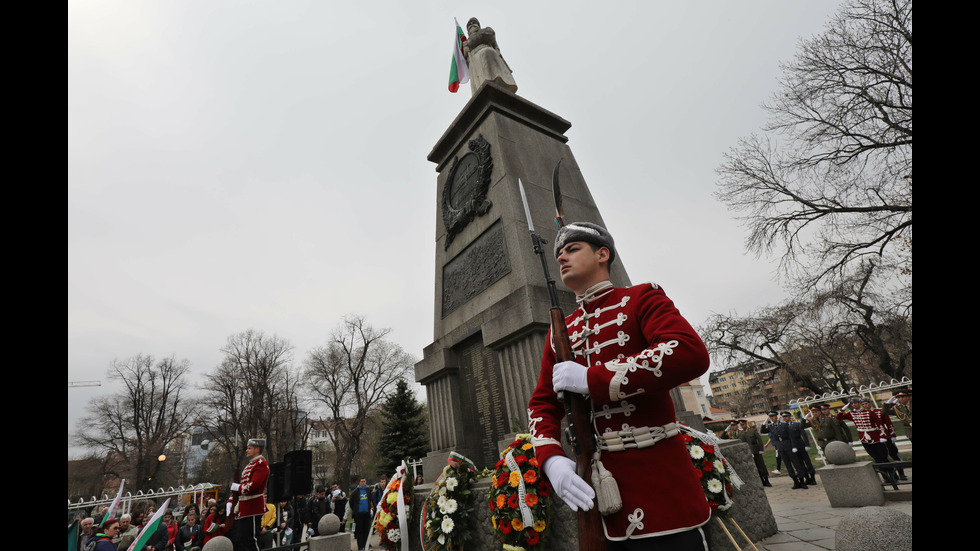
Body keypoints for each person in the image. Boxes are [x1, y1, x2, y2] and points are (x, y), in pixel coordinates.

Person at [527, 222, 712, 548]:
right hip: (600, 501)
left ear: (602, 253)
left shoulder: (641, 298)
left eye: (572, 249)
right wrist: (551, 459)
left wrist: (591, 378)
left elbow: (688, 352)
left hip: (664, 495)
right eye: (559, 255)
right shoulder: (561, 333)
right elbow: (543, 403)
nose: (562, 258)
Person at [836, 397, 894, 483]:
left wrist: (882, 436)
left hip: (876, 438)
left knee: (884, 458)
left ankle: (893, 476)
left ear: (859, 404)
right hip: (864, 439)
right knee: (877, 459)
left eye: (856, 403)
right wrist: (843, 409)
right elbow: (839, 417)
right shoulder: (852, 413)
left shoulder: (869, 412)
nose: (854, 405)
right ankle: (885, 478)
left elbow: (879, 423)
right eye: (852, 404)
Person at [229, 438, 270, 551]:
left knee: (252, 540)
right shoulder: (251, 464)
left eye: (249, 448)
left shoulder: (261, 464)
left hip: (253, 507)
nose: (247, 450)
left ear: (257, 449)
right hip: (245, 507)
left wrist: (239, 487)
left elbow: (255, 485)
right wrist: (232, 499)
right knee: (243, 540)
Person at [462, 17, 518, 94]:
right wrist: (465, 50)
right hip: (474, 60)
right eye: (469, 24)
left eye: (473, 22)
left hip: (486, 50)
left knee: (487, 52)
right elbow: (464, 62)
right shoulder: (465, 42)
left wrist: (471, 41)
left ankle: (494, 80)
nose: (471, 24)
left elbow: (490, 34)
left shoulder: (485, 30)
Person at [770, 412, 810, 489]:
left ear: (776, 417)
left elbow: (791, 436)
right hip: (781, 447)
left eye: (773, 416)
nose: (772, 418)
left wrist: (794, 446)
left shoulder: (784, 425)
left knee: (796, 464)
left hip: (788, 446)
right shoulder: (771, 426)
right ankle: (795, 481)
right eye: (770, 417)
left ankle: (802, 481)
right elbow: (763, 431)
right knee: (788, 465)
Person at [737, 419, 771, 487]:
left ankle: (766, 480)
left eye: (743, 424)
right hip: (748, 452)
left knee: (761, 466)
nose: (743, 426)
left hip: (756, 451)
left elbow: (759, 440)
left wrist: (761, 449)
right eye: (741, 425)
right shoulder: (740, 433)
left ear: (746, 424)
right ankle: (761, 481)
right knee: (754, 467)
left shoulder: (752, 431)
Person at [349, 478, 375, 551]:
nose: (363, 483)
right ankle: (360, 547)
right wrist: (356, 510)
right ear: (359, 482)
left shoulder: (368, 490)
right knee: (360, 531)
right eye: (361, 482)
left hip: (367, 514)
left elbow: (370, 500)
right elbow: (351, 503)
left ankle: (367, 545)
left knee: (367, 530)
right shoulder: (355, 492)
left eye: (364, 481)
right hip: (359, 515)